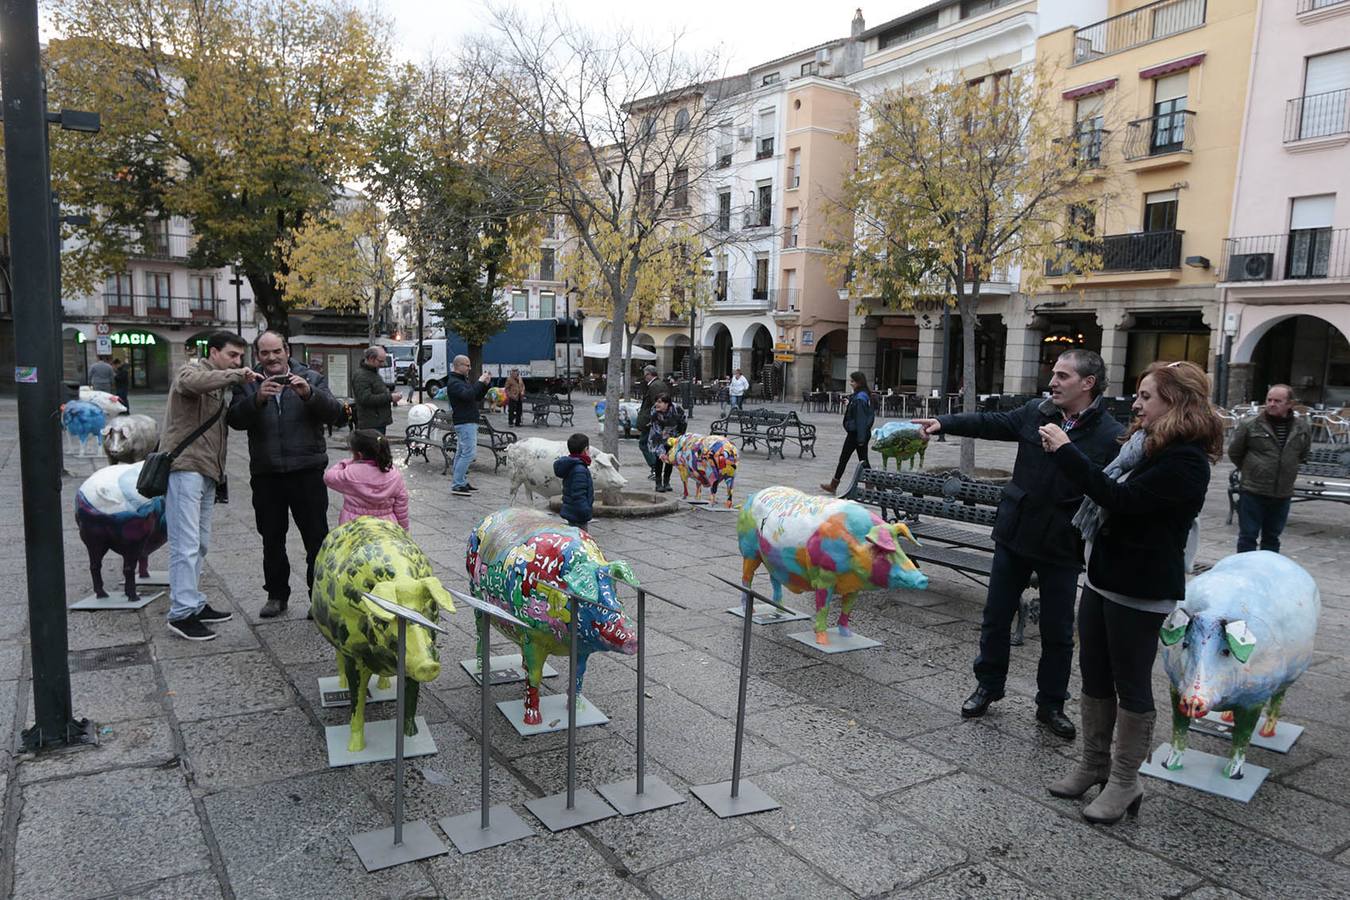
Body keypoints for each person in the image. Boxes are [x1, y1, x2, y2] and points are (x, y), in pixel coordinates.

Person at [1040, 360, 1221, 824]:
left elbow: (1122, 501)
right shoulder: (1142, 446)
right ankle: (1092, 765)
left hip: (1140, 589)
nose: (1136, 404)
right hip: (1104, 577)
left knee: (1132, 684)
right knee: (1095, 675)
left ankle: (1125, 781)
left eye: (1147, 397)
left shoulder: (1186, 460)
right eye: (1138, 395)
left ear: (1177, 402)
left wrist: (1067, 453)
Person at [913, 350, 1125, 740]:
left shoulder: (1109, 434)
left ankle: (1051, 704)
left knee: (1058, 630)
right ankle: (988, 685)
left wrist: (1067, 449)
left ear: (1088, 383)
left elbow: (1103, 487)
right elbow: (990, 422)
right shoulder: (1036, 412)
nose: (1053, 381)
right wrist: (944, 422)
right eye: (1054, 374)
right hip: (1016, 532)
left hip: (1062, 543)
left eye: (1063, 376)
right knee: (996, 618)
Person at [227, 331, 345, 619]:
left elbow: (337, 415)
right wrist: (257, 399)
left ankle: (318, 598)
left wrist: (309, 394)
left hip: (307, 471)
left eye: (276, 351)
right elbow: (234, 420)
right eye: (265, 353)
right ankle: (276, 595)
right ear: (257, 356)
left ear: (286, 350)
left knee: (315, 538)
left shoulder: (311, 378)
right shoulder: (249, 382)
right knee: (271, 538)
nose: (271, 358)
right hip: (267, 474)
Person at [162, 331, 259, 641]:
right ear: (214, 352)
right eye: (232, 355)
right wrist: (235, 375)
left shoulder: (218, 385)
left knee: (199, 543)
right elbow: (188, 384)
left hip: (206, 472)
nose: (238, 361)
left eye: (241, 357)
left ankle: (193, 602)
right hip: (185, 468)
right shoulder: (191, 370)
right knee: (185, 544)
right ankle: (181, 612)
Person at [1228, 384, 1311, 554]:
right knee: (1248, 536)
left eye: (1278, 401)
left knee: (1272, 537)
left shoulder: (1301, 427)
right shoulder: (1251, 425)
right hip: (1254, 490)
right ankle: (1244, 572)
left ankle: (1268, 573)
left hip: (1282, 492)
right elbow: (1235, 452)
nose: (1272, 404)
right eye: (1269, 400)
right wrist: (1253, 469)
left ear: (1290, 404)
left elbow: (1303, 453)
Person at [325, 429, 410, 531]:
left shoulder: (350, 473)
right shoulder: (394, 475)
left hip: (354, 526)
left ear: (359, 454)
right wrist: (404, 530)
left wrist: (345, 463)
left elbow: (328, 477)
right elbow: (401, 507)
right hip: (386, 526)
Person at [819, 371, 876, 495]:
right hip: (859, 433)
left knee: (847, 459)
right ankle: (870, 484)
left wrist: (860, 439)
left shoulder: (860, 397)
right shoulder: (863, 395)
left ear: (859, 382)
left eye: (852, 381)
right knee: (862, 460)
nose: (851, 383)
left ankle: (835, 485)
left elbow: (861, 419)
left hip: (856, 433)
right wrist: (849, 403)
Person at [445, 354, 491, 496]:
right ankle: (458, 484)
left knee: (461, 453)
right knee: (468, 454)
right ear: (458, 366)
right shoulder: (454, 382)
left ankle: (461, 481)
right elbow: (467, 396)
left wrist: (484, 385)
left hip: (467, 421)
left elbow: (475, 396)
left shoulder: (460, 381)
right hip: (465, 422)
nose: (470, 368)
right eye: (467, 365)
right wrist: (479, 381)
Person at [351, 345, 400, 434]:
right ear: (370, 358)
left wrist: (390, 394)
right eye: (380, 361)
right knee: (373, 447)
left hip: (378, 421)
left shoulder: (373, 373)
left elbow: (377, 392)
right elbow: (365, 399)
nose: (383, 364)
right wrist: (390, 397)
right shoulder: (361, 376)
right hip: (370, 424)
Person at [647, 393, 687, 493]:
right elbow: (657, 432)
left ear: (667, 403)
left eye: (660, 402)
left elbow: (683, 423)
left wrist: (678, 438)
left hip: (674, 435)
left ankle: (667, 482)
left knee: (670, 458)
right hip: (658, 436)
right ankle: (658, 483)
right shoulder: (654, 412)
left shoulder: (677, 409)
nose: (657, 404)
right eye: (656, 402)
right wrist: (661, 451)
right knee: (659, 459)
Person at [554, 432, 595, 530]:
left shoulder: (573, 465)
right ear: (585, 450)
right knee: (580, 541)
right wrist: (586, 512)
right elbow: (578, 494)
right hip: (578, 515)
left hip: (572, 511)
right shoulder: (579, 469)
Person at [634, 365, 665, 477]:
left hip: (651, 421)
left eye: (645, 375)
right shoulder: (658, 384)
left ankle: (655, 468)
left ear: (648, 374)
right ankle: (655, 468)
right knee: (649, 444)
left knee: (644, 444)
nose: (644, 377)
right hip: (653, 421)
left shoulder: (655, 386)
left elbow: (657, 404)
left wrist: (652, 420)